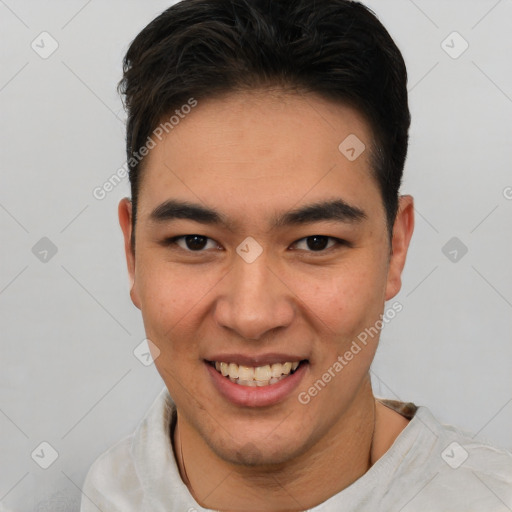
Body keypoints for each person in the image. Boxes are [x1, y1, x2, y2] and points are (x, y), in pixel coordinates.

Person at [81, 0, 512, 510]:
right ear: (132, 253)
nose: (252, 316)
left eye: (316, 242)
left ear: (395, 247)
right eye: (195, 241)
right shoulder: (105, 492)